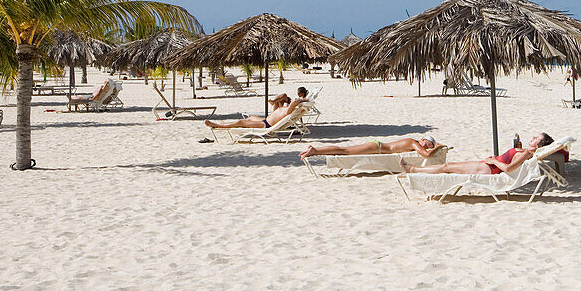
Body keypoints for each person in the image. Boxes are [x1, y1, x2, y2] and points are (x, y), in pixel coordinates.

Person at [400, 133, 554, 175]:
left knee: (448, 167)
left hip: (490, 169)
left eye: (536, 139)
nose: (532, 138)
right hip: (488, 166)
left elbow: (508, 169)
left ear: (538, 145)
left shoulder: (527, 153)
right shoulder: (526, 151)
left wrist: (494, 161)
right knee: (449, 166)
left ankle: (414, 170)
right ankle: (414, 170)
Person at [204, 92, 307, 129]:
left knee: (241, 122)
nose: (293, 99)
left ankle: (217, 125)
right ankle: (226, 123)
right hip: (265, 120)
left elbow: (295, 102)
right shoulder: (287, 109)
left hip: (265, 125)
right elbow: (294, 102)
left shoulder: (288, 110)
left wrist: (301, 100)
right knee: (250, 118)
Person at [300, 135, 440, 160]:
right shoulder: (414, 143)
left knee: (344, 150)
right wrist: (439, 146)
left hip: (377, 145)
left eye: (429, 146)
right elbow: (426, 155)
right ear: (422, 140)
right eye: (427, 144)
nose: (427, 147)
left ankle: (315, 150)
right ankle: (315, 151)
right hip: (377, 147)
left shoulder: (412, 142)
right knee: (344, 151)